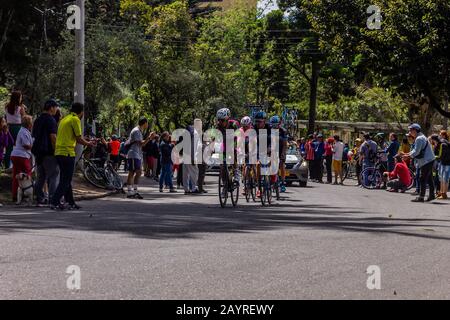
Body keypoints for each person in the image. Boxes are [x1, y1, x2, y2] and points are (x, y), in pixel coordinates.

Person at [50, 103, 95, 210]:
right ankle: (54, 201)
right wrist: (89, 144)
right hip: (67, 153)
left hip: (59, 152)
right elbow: (79, 139)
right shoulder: (75, 120)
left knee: (65, 179)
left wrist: (87, 141)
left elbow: (73, 136)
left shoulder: (64, 119)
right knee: (66, 180)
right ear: (81, 111)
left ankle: (70, 202)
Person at [32, 99, 60, 206]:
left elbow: (34, 136)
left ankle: (40, 198)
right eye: (56, 107)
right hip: (49, 152)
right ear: (51, 107)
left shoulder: (37, 120)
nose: (56, 109)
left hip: (38, 153)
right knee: (54, 175)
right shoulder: (51, 120)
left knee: (41, 177)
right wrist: (57, 151)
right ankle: (53, 199)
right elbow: (53, 137)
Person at [401, 123, 436, 203]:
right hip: (429, 160)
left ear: (415, 130)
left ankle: (421, 197)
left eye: (410, 130)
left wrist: (407, 156)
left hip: (426, 161)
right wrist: (407, 154)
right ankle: (431, 195)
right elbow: (415, 151)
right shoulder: (421, 137)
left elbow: (416, 152)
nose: (409, 132)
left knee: (422, 178)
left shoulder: (419, 138)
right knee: (429, 178)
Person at [126, 118, 154, 199]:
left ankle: (134, 191)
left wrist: (149, 138)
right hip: (133, 154)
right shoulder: (136, 131)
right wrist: (149, 137)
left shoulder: (139, 131)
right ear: (144, 123)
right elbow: (141, 144)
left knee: (138, 172)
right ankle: (130, 192)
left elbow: (142, 144)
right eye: (147, 123)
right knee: (133, 172)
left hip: (137, 154)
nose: (147, 125)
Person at [10, 115, 33, 202]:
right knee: (27, 175)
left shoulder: (23, 131)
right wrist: (33, 147)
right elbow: (26, 145)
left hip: (15, 155)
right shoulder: (24, 132)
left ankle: (15, 195)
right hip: (22, 156)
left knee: (16, 176)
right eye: (31, 122)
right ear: (29, 124)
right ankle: (27, 195)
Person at [4, 91, 26, 168]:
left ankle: (7, 166)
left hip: (9, 127)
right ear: (17, 98)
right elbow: (24, 119)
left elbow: (6, 117)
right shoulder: (20, 108)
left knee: (8, 148)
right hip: (18, 128)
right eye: (20, 97)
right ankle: (18, 166)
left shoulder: (7, 106)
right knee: (19, 147)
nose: (21, 99)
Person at [270, 115, 288, 190]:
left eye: (276, 124)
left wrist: (283, 154)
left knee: (282, 165)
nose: (274, 126)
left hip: (281, 149)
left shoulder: (283, 131)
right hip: (272, 149)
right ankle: (271, 180)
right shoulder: (269, 130)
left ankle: (282, 182)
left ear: (279, 124)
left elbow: (285, 144)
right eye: (273, 124)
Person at [432, 134, 450, 200]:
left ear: (434, 140)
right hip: (443, 163)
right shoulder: (440, 144)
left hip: (447, 163)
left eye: (432, 140)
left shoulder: (443, 144)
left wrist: (434, 157)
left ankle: (444, 194)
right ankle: (441, 192)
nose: (432, 142)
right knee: (442, 179)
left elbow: (441, 155)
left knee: (445, 179)